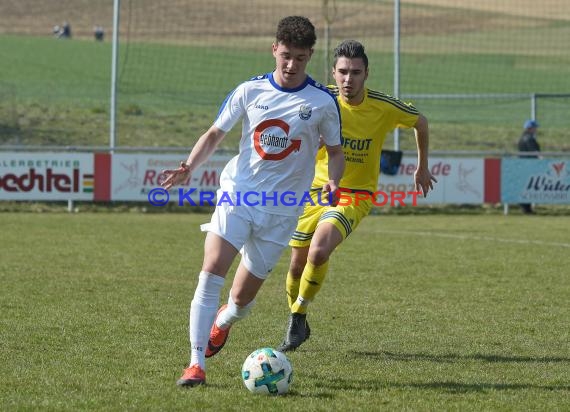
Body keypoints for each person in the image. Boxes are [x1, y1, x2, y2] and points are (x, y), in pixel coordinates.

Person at [160, 16, 345, 387]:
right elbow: (215, 133)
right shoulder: (250, 90)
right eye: (286, 56)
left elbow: (336, 152)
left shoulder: (322, 102)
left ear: (310, 56)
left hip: (282, 211)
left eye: (300, 58)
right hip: (239, 194)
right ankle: (195, 365)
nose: (291, 65)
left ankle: (224, 321)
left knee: (241, 302)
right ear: (274, 49)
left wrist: (334, 182)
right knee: (212, 268)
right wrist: (189, 167)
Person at [276, 40, 437, 352]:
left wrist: (422, 166)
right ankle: (297, 317)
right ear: (333, 73)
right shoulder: (318, 99)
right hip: (313, 191)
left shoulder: (384, 107)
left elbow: (421, 121)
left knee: (319, 251)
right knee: (296, 265)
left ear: (367, 74)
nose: (349, 79)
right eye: (343, 72)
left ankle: (298, 317)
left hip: (355, 194)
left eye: (356, 72)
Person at [518, 119, 540, 214]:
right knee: (529, 187)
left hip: (523, 164)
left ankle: (526, 207)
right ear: (530, 128)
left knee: (526, 186)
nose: (536, 130)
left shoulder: (522, 137)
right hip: (529, 165)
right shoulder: (529, 138)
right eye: (535, 128)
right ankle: (526, 208)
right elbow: (535, 152)